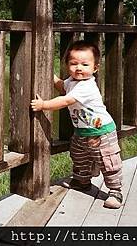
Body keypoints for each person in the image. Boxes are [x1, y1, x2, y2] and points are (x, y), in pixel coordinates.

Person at [30, 40, 124, 209]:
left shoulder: (87, 86)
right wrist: (51, 76)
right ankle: (82, 182)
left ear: (95, 68)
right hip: (82, 132)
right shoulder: (72, 82)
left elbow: (66, 100)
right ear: (67, 65)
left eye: (84, 64)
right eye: (74, 64)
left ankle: (115, 191)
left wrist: (43, 105)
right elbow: (63, 88)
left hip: (101, 132)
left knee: (108, 161)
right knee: (79, 157)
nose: (79, 68)